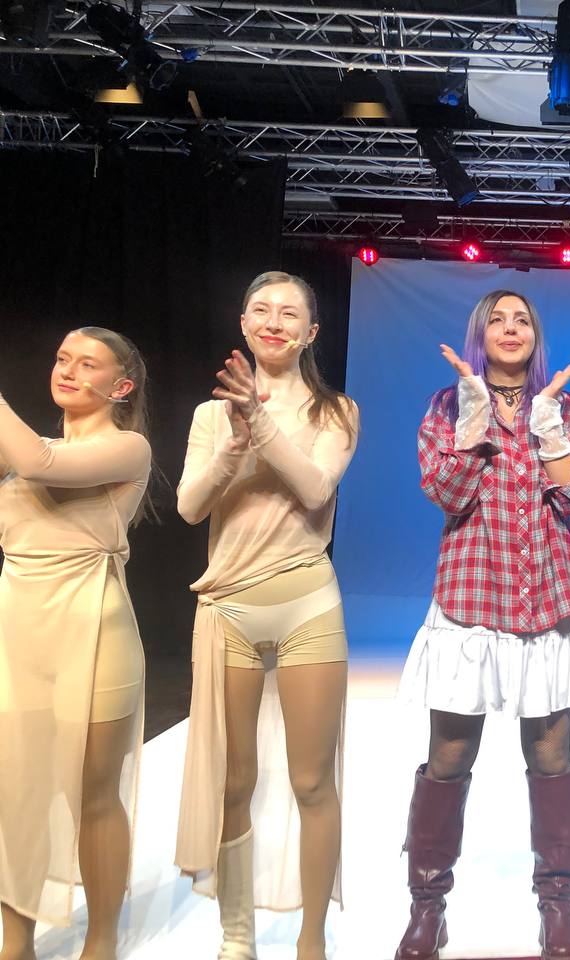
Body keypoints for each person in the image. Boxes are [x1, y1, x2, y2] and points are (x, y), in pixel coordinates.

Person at [394, 290, 570, 960]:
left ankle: (557, 910)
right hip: (472, 601)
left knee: (550, 757)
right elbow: (449, 493)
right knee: (449, 756)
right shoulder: (446, 404)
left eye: (522, 320)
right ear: (479, 334)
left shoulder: (563, 406)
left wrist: (547, 423)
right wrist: (474, 417)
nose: (510, 328)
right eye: (497, 318)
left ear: (535, 336)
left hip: (548, 598)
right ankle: (427, 909)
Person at [174, 271, 359, 960]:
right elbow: (190, 506)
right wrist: (234, 437)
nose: (273, 321)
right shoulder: (211, 416)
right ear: (244, 323)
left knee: (312, 779)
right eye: (261, 309)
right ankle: (237, 935)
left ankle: (311, 939)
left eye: (289, 313)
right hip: (228, 606)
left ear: (311, 332)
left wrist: (260, 420)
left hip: (307, 599)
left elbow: (314, 488)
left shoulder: (337, 411)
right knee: (234, 780)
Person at [0, 327, 153, 960]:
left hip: (94, 631)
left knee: (93, 793)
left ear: (121, 386)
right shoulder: (24, 451)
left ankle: (101, 939)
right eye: (63, 358)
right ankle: (15, 941)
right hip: (18, 634)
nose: (68, 370)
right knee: (16, 791)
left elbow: (44, 464)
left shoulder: (128, 447)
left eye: (88, 363)